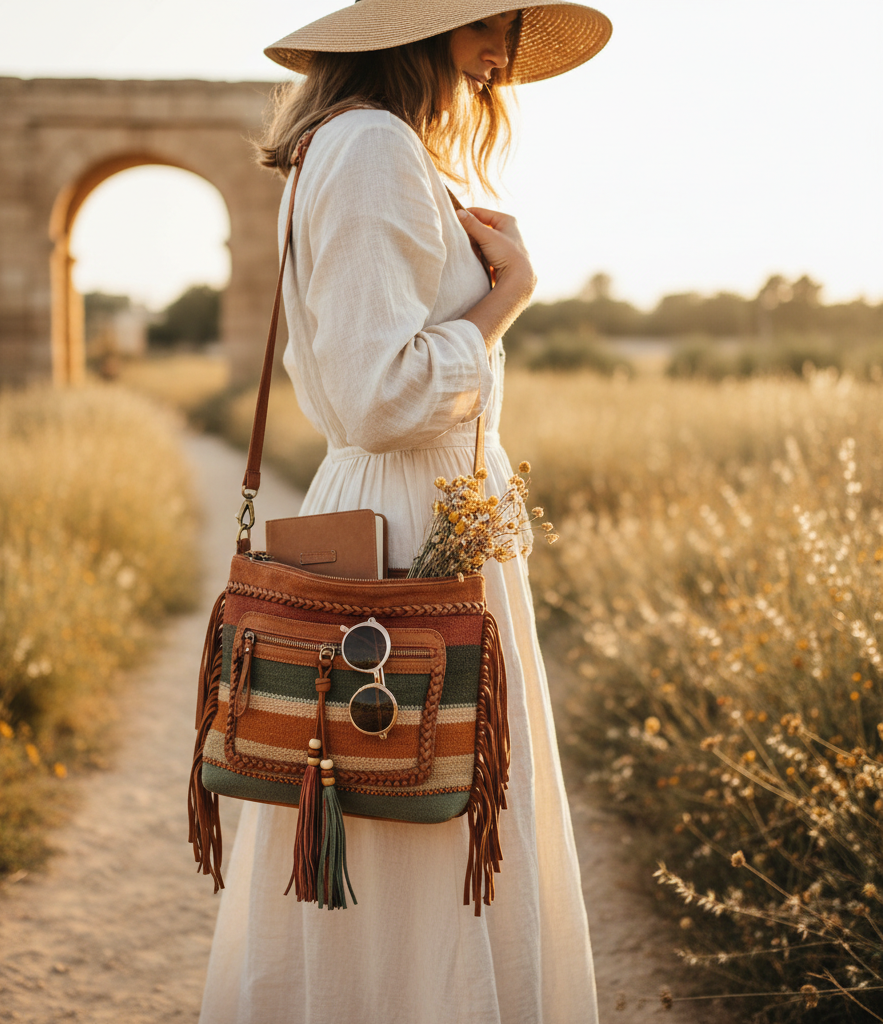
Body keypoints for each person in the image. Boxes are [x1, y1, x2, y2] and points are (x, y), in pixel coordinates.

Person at [199, 3, 611, 1022]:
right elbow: (378, 396)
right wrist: (503, 298)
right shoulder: (374, 147)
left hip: (414, 520)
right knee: (411, 817)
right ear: (418, 25)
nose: (503, 49)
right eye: (490, 20)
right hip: (403, 530)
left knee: (406, 815)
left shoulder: (367, 148)